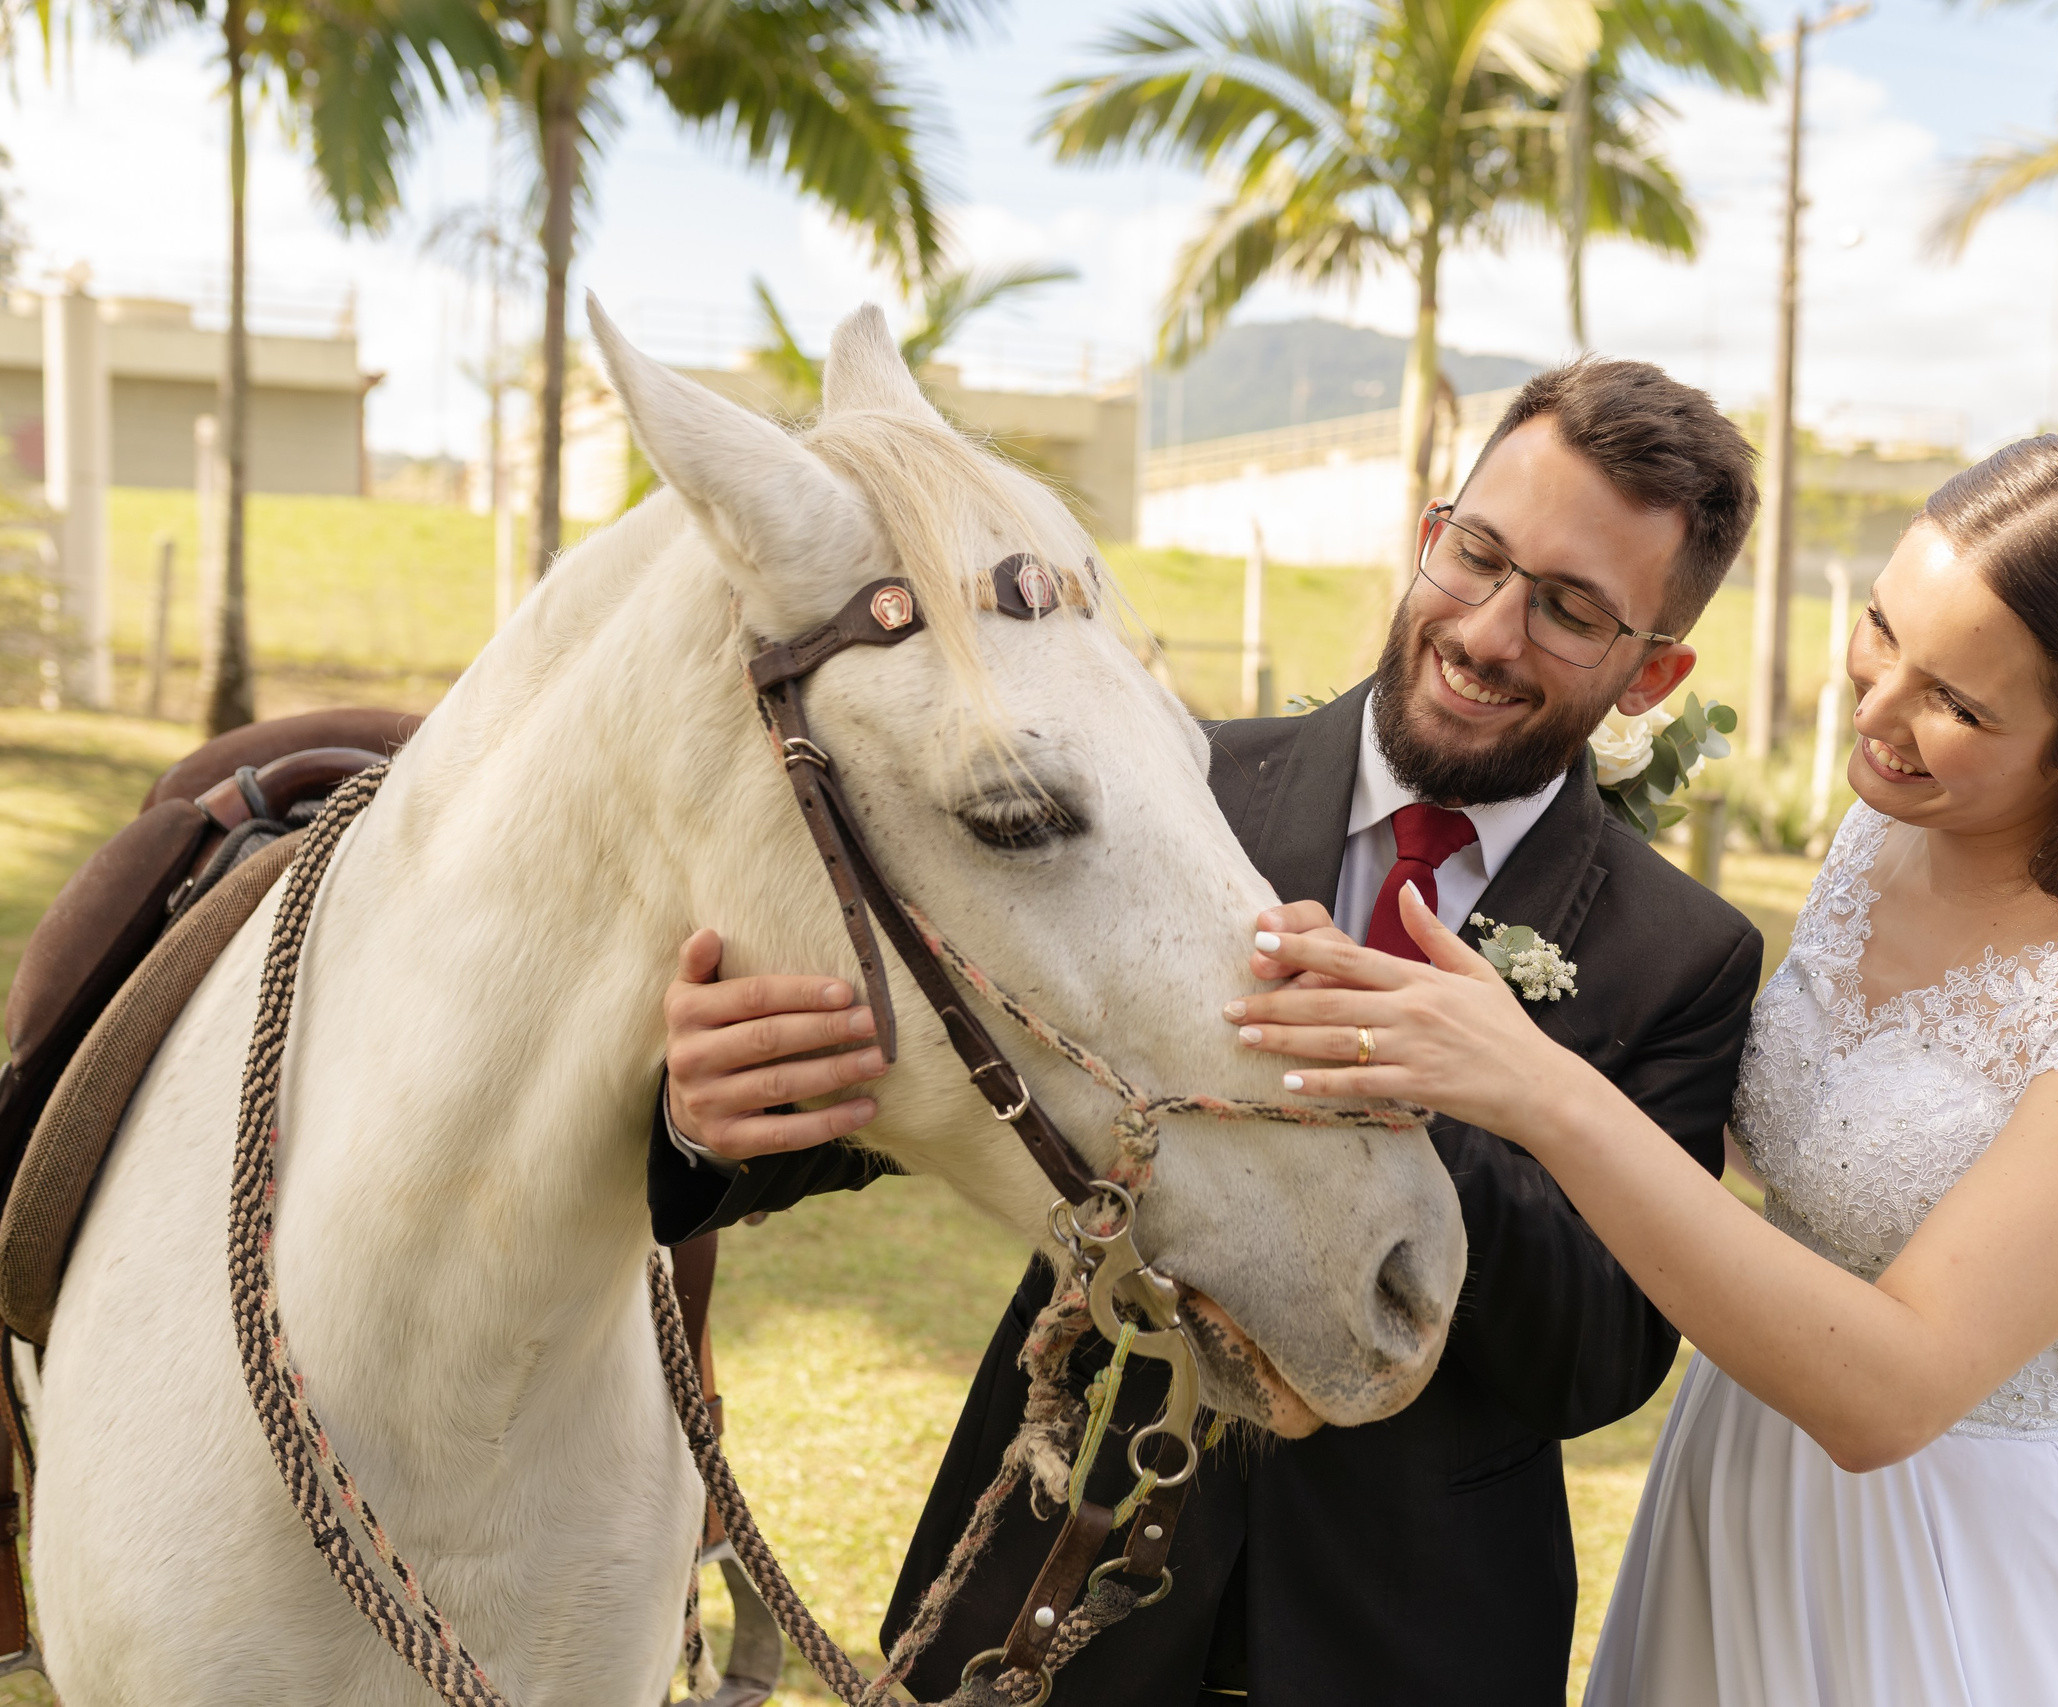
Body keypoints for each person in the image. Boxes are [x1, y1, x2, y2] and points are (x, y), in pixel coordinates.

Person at [1228, 414, 2058, 1705]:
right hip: (1738, 1512)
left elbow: (1892, 1391)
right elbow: (1807, 1132)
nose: (1878, 709)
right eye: (1882, 630)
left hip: (1957, 1570)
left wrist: (1536, 1084)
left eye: (1958, 702)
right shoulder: (1887, 842)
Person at [646, 357, 1766, 1704]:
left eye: (1572, 610)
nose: (1486, 630)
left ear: (1655, 676)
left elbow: (1600, 1359)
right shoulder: (1170, 783)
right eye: (1476, 555)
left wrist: (1457, 1085)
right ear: (1431, 533)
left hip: (1409, 1651)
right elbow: (936, 1057)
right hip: (1046, 1613)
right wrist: (702, 1126)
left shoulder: (1687, 957)